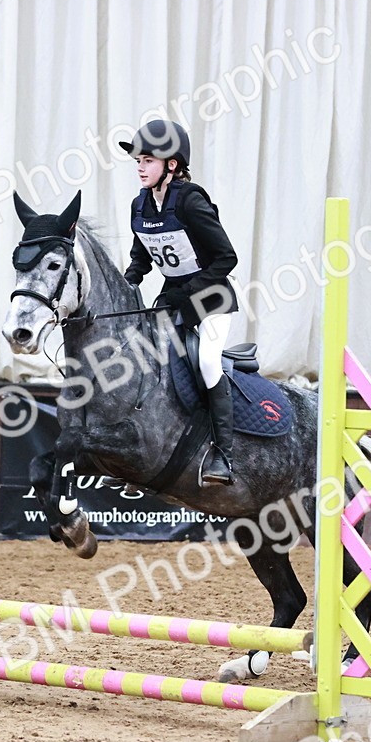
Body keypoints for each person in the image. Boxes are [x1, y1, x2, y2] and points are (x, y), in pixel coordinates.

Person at [119, 119, 240, 486]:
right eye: (138, 160)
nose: (139, 167)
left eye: (147, 160)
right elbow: (142, 253)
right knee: (138, 357)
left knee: (206, 361)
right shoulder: (140, 204)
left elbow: (226, 258)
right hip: (172, 298)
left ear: (172, 164)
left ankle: (224, 454)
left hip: (212, 296)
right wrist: (130, 278)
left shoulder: (190, 201)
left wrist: (189, 294)